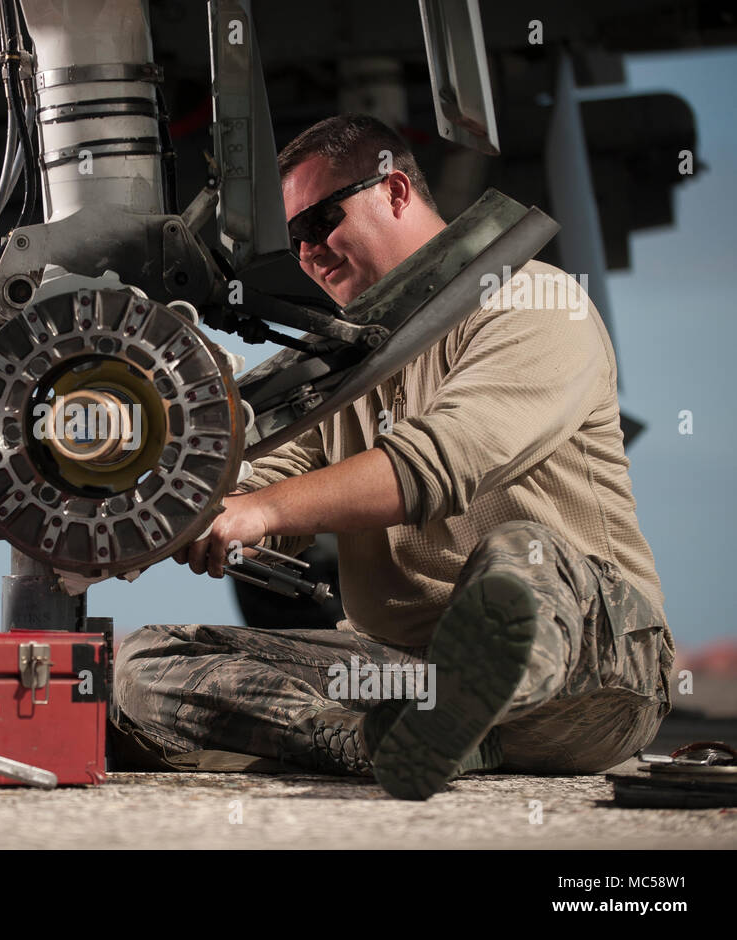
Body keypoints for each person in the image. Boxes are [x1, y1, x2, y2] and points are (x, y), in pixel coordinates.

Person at [110, 114, 675, 799]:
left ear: (397, 191)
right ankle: (386, 739)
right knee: (141, 664)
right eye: (294, 241)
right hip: (408, 674)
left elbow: (442, 461)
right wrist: (169, 498)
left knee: (521, 555)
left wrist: (256, 511)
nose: (309, 253)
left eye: (320, 222)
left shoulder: (535, 302)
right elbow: (271, 481)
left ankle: (465, 705)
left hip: (590, 669)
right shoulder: (342, 366)